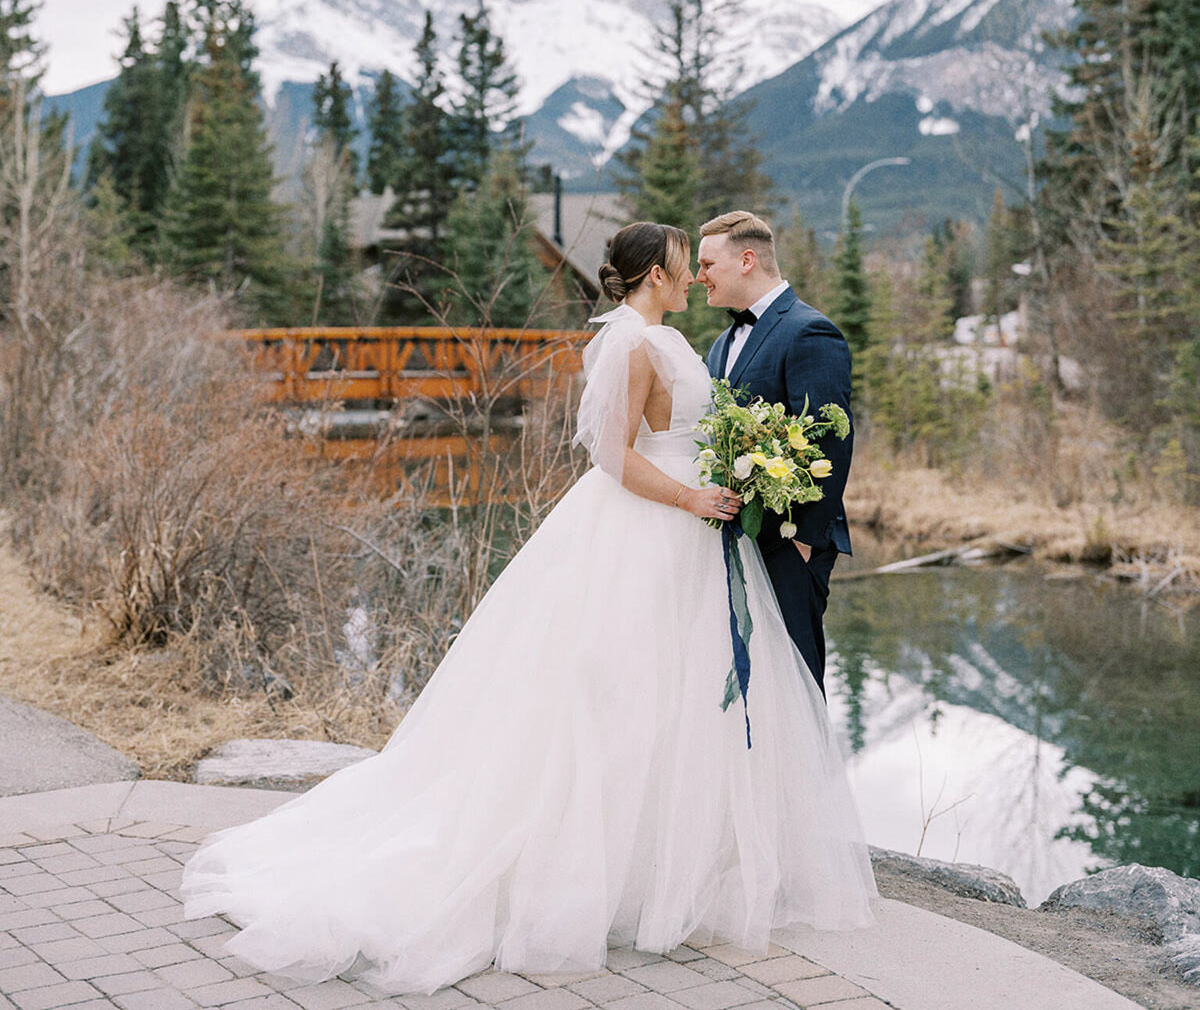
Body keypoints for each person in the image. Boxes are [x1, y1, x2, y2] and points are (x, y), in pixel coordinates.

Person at [180, 222, 875, 994]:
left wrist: (785, 523)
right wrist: (690, 495)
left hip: (709, 542)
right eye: (688, 266)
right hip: (657, 531)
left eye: (704, 264)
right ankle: (621, 868)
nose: (696, 277)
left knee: (687, 698)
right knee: (616, 692)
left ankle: (714, 855)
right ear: (654, 274)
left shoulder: (701, 338)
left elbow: (802, 440)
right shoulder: (643, 344)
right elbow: (613, 455)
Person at [698, 212, 853, 694]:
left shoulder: (809, 331)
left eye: (707, 264)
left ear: (747, 260)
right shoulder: (720, 345)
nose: (698, 276)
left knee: (793, 687)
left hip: (788, 545)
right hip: (732, 541)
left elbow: (832, 441)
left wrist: (803, 541)